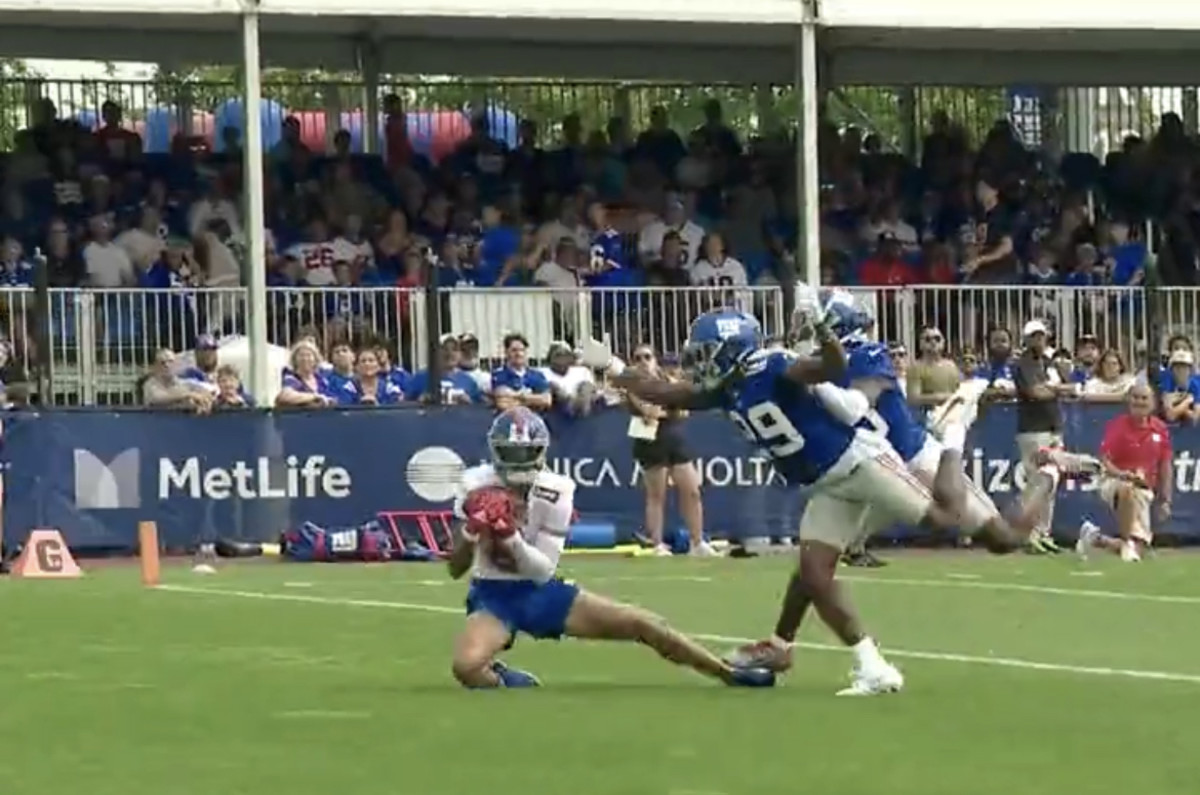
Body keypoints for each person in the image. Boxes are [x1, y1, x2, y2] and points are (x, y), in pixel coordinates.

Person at [602, 296, 978, 696]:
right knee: (814, 575)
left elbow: (832, 367)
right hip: (826, 483)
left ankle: (953, 433)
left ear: (732, 349)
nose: (701, 363)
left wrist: (823, 332)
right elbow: (667, 393)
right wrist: (613, 368)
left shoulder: (772, 364)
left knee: (947, 521)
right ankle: (873, 667)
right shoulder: (725, 388)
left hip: (860, 462)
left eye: (707, 353)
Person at [446, 407, 775, 689]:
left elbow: (544, 569)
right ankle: (504, 679)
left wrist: (509, 537)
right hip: (494, 596)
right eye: (511, 453)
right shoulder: (475, 484)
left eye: (525, 453)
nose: (518, 462)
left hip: (541, 592)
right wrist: (473, 530)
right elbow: (454, 567)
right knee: (467, 668)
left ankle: (728, 673)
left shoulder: (556, 489)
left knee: (643, 624)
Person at [623, 344, 714, 557]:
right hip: (650, 441)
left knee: (692, 490)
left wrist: (670, 406)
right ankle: (657, 544)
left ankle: (697, 542)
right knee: (657, 495)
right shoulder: (634, 387)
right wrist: (670, 405)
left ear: (655, 360)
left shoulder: (667, 380)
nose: (643, 362)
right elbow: (650, 412)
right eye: (638, 358)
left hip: (674, 438)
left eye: (647, 357)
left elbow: (684, 410)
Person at [1077, 384, 1172, 563]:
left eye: (1144, 398)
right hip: (1114, 482)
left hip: (1144, 490)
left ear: (1152, 403)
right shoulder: (1117, 426)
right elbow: (1105, 460)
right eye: (1135, 397)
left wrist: (1166, 500)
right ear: (1128, 400)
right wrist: (1122, 475)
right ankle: (1127, 542)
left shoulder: (1160, 428)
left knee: (1140, 549)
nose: (1139, 402)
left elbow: (1165, 465)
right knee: (1127, 489)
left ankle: (1096, 539)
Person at [1014, 319, 1077, 553]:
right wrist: (1057, 389)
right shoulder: (1024, 363)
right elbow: (1035, 392)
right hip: (1033, 429)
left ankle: (1043, 533)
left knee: (1050, 483)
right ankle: (1030, 534)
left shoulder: (1049, 362)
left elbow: (1069, 387)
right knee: (1037, 482)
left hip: (1052, 428)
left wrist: (1055, 388)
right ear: (1027, 339)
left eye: (1042, 336)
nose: (1039, 340)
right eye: (1034, 336)